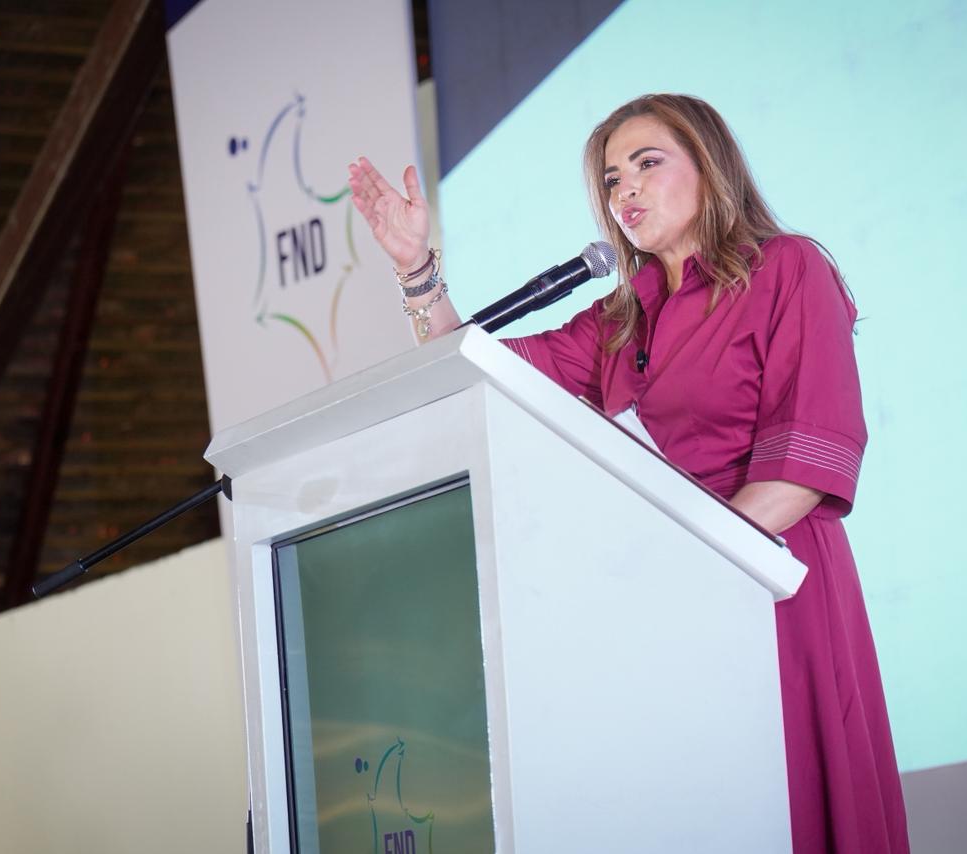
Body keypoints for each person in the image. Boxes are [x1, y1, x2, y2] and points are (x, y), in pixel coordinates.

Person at [348, 93, 909, 854]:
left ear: (710, 167)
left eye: (647, 163)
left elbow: (801, 471)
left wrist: (674, 574)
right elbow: (476, 373)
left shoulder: (787, 269)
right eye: (612, 179)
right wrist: (416, 268)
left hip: (772, 587)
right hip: (673, 602)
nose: (626, 190)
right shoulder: (620, 320)